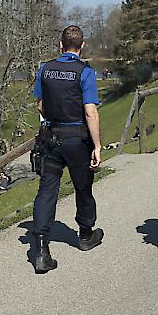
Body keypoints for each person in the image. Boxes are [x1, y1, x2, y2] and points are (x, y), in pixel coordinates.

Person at [31, 25, 103, 274]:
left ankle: (41, 249)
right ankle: (85, 235)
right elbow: (90, 111)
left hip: (51, 139)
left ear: (60, 45)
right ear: (81, 47)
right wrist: (97, 145)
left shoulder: (45, 69)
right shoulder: (85, 73)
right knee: (82, 187)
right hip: (76, 140)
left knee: (47, 190)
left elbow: (40, 104)